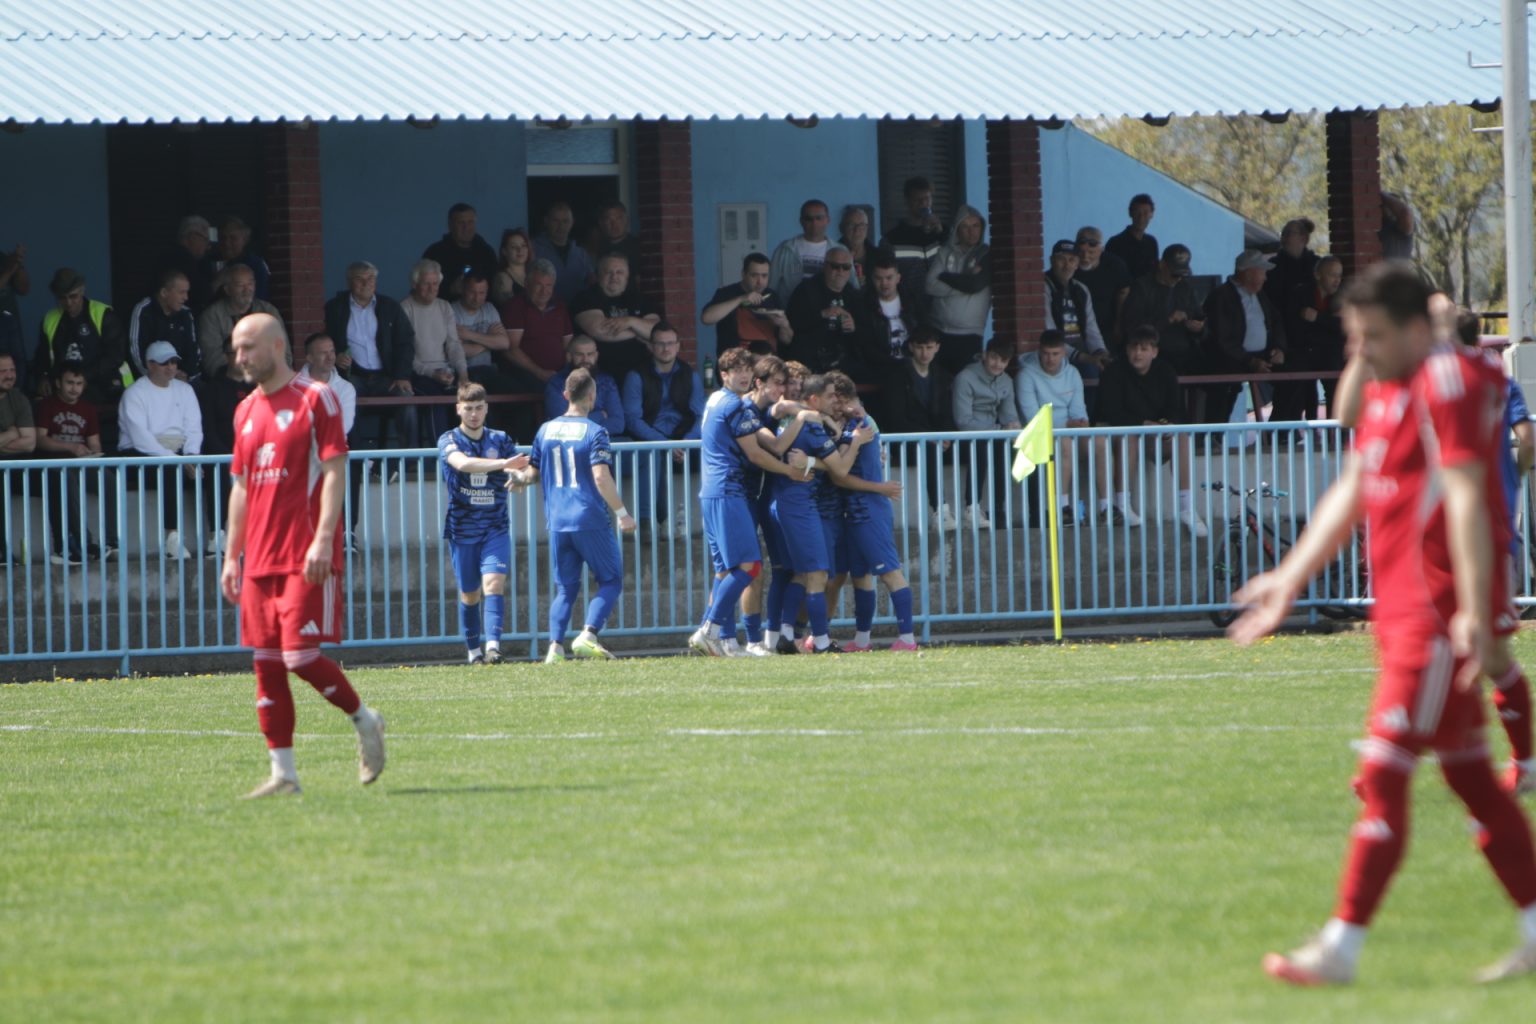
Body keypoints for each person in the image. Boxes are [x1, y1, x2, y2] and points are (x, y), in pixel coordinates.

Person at [1229, 265, 1536, 986]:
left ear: (1416, 330)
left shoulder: (1447, 385)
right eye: (1353, 337)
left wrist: (1470, 606)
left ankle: (1340, 947)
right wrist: (1289, 578)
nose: (1361, 349)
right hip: (1399, 612)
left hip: (1434, 615)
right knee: (1472, 780)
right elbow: (1356, 487)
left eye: (1371, 336)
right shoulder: (1394, 388)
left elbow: (1466, 497)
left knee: (1382, 772)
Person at [222, 313, 386, 799]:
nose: (240, 357)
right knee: (267, 664)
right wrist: (232, 556)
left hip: (305, 552)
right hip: (260, 559)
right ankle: (284, 775)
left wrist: (323, 538)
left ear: (277, 346)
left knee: (299, 656)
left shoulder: (316, 398)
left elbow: (335, 470)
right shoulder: (245, 410)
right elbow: (241, 488)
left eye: (248, 347)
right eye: (235, 349)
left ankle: (365, 720)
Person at [1451, 308, 1536, 794]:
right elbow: (1527, 439)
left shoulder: (1447, 383)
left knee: (1486, 647)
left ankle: (1513, 759)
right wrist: (1516, 475)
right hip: (1492, 514)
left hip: (1475, 520)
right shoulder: (1499, 382)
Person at [687, 347, 813, 657]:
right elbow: (756, 454)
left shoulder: (717, 399)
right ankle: (710, 630)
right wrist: (790, 471)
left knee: (725, 570)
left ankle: (724, 640)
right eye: (737, 371)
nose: (743, 375)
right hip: (729, 490)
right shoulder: (734, 405)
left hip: (713, 491)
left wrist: (795, 414)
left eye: (747, 369)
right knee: (749, 566)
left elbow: (770, 443)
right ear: (724, 375)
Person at [509, 368, 637, 662]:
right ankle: (588, 635)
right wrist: (622, 513)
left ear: (565, 395)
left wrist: (518, 479)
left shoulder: (545, 429)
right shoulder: (595, 431)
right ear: (592, 396)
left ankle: (554, 648)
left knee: (565, 588)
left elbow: (532, 473)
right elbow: (601, 477)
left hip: (557, 520)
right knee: (611, 580)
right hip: (588, 517)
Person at [768, 372, 871, 654]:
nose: (834, 400)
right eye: (829, 396)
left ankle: (786, 634)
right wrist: (856, 442)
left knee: (803, 574)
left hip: (787, 502)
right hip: (799, 505)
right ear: (813, 399)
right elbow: (841, 469)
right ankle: (822, 643)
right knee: (818, 574)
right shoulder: (811, 427)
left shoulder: (798, 420)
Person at [438, 382, 530, 665]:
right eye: (468, 408)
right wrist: (504, 465)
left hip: (495, 526)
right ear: (458, 409)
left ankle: (493, 648)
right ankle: (473, 652)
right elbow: (463, 464)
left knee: (494, 583)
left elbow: (522, 468)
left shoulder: (500, 439)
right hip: (462, 528)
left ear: (486, 408)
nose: (474, 414)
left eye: (479, 408)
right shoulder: (449, 439)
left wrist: (520, 479)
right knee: (470, 593)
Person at [824, 388, 916, 652]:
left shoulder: (860, 426)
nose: (843, 407)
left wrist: (879, 488)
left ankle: (908, 638)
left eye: (846, 402)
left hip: (868, 510)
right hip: (854, 511)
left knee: (890, 572)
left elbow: (840, 476)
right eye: (838, 402)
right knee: (860, 575)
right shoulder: (851, 427)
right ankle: (862, 640)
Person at [1095, 325, 1208, 536]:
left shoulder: (1166, 370)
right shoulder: (1113, 371)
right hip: (1122, 435)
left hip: (1155, 437)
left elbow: (1176, 408)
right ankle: (1123, 506)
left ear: (1154, 352)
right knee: (1129, 436)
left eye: (1144, 348)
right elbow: (1111, 412)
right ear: (1127, 349)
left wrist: (1168, 425)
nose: (1137, 353)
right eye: (1133, 347)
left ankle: (1187, 508)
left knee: (1182, 437)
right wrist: (1143, 423)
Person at [118, 340, 203, 560]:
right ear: (150, 364)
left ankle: (217, 536)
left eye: (174, 362)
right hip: (139, 455)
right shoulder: (135, 393)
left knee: (215, 469)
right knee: (169, 468)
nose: (171, 367)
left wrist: (191, 456)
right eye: (165, 362)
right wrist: (178, 460)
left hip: (179, 452)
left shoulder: (185, 390)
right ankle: (172, 538)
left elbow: (194, 428)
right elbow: (141, 439)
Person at [324, 260, 418, 452]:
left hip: (386, 377)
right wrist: (336, 356)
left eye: (371, 279)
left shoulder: (389, 307)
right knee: (346, 397)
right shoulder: (335, 308)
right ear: (349, 282)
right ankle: (357, 459)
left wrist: (402, 375)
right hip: (353, 376)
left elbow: (405, 342)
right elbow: (325, 339)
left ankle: (411, 459)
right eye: (359, 279)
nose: (366, 283)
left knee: (406, 399)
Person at [621, 324, 703, 528]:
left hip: (683, 440)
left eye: (670, 343)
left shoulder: (691, 375)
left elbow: (700, 416)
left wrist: (685, 443)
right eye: (660, 344)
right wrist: (664, 443)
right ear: (650, 346)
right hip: (650, 440)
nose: (666, 349)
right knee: (653, 454)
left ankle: (712, 520)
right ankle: (651, 522)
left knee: (717, 450)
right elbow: (633, 420)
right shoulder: (635, 375)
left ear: (678, 346)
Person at [34, 361, 114, 563]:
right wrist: (70, 447)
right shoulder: (47, 405)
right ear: (58, 383)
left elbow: (94, 442)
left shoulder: (88, 408)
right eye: (69, 382)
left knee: (109, 479)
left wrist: (93, 452)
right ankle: (83, 541)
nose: (74, 388)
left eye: (79, 383)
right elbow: (40, 439)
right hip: (56, 466)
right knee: (68, 480)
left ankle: (113, 541)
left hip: (83, 464)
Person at [1015, 330, 1096, 526]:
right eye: (1045, 353)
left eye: (1055, 354)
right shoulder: (1025, 375)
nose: (1050, 359)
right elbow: (1034, 419)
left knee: (1100, 443)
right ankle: (1061, 507)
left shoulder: (1073, 373)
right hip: (1038, 437)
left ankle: (1108, 507)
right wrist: (1066, 424)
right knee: (1065, 444)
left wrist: (1080, 422)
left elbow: (1079, 411)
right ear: (1039, 351)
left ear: (1064, 353)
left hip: (1068, 430)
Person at [879, 326, 957, 531]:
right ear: (912, 347)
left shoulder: (942, 376)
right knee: (929, 450)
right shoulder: (897, 375)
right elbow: (896, 418)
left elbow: (947, 413)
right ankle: (941, 510)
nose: (925, 353)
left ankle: (973, 508)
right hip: (905, 440)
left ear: (937, 348)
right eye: (920, 347)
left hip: (935, 438)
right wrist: (929, 437)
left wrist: (946, 436)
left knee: (975, 448)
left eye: (929, 347)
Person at [1201, 249, 1287, 424]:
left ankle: (1281, 429)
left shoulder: (1260, 295)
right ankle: (1214, 435)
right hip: (1231, 359)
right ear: (1248, 273)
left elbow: (1276, 320)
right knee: (1222, 389)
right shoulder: (1221, 296)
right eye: (1262, 272)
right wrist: (1250, 361)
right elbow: (1222, 339)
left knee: (1293, 376)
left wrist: (1279, 348)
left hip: (1262, 355)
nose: (1265, 278)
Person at [32, 268, 132, 415]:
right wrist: (43, 376)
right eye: (62, 298)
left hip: (106, 387)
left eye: (73, 296)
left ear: (82, 291)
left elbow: (115, 356)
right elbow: (42, 356)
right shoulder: (50, 318)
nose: (68, 303)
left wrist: (84, 376)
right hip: (67, 391)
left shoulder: (103, 314)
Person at [951, 337, 1019, 528]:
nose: (998, 364)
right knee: (981, 447)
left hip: (994, 434)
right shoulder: (965, 377)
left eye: (1003, 360)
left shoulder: (1006, 381)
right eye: (994, 358)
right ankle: (972, 507)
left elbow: (1009, 415)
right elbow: (963, 422)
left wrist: (1014, 429)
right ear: (985, 355)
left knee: (1014, 449)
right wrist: (1000, 430)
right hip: (966, 436)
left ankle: (999, 509)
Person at [197, 337, 256, 556]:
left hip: (254, 454)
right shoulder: (211, 389)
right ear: (226, 356)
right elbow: (208, 429)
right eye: (235, 353)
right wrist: (229, 456)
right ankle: (218, 535)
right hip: (222, 454)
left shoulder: (258, 387)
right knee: (219, 472)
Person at [400, 259, 468, 445]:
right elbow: (404, 353)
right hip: (418, 373)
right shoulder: (405, 308)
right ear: (415, 284)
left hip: (445, 372)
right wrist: (431, 373)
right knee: (436, 400)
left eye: (435, 283)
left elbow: (453, 344)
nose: (431, 289)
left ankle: (468, 453)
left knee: (469, 397)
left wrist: (463, 374)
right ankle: (441, 454)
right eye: (426, 284)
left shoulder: (444, 306)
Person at [1273, 255, 1345, 423]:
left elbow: (1345, 326)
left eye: (1339, 275)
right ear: (1318, 275)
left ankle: (1336, 432)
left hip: (1331, 354)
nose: (1337, 280)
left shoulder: (1342, 297)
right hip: (1303, 351)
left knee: (1336, 391)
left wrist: (1318, 318)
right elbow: (1292, 325)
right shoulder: (1300, 294)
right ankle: (1282, 431)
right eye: (1332, 275)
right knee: (1292, 391)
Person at [570, 252, 660, 382]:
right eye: (608, 272)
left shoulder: (640, 299)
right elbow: (600, 330)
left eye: (619, 272)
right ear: (598, 275)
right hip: (597, 375)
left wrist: (630, 321)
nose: (614, 276)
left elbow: (657, 330)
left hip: (639, 374)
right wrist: (639, 331)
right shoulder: (585, 298)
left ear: (627, 275)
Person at [924, 204, 991, 375]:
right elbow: (930, 286)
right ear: (957, 230)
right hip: (938, 330)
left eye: (976, 226)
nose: (971, 231)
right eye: (965, 226)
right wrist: (964, 281)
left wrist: (946, 277)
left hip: (970, 334)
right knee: (938, 381)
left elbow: (975, 285)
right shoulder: (944, 253)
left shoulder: (987, 254)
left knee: (964, 381)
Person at [1118, 244, 1205, 374]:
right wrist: (1167, 320)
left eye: (1182, 275)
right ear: (1162, 265)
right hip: (1153, 353)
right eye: (1175, 274)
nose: (1179, 279)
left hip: (1184, 352)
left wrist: (1198, 327)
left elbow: (1199, 315)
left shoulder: (1185, 287)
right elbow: (1133, 326)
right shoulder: (1142, 287)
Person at [1043, 239, 1110, 390]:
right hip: (1056, 354)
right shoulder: (1043, 286)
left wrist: (1101, 352)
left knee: (1108, 371)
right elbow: (1049, 331)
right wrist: (1083, 357)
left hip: (1082, 351)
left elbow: (1091, 328)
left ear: (1077, 263)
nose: (1067, 265)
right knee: (1088, 371)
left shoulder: (1081, 290)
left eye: (1072, 260)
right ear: (1052, 260)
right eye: (1061, 259)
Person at [786, 244, 860, 374]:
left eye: (846, 267)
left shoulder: (852, 294)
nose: (840, 271)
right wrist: (822, 314)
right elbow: (792, 324)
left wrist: (853, 327)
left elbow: (864, 334)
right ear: (825, 266)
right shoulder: (806, 290)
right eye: (835, 266)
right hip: (810, 358)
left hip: (842, 360)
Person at [197, 264, 282, 378]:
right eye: (240, 285)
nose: (247, 290)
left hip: (267, 379)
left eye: (250, 284)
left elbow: (284, 353)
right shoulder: (212, 316)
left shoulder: (268, 311)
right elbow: (213, 361)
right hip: (229, 381)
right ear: (227, 290)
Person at [701, 252, 792, 358]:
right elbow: (706, 318)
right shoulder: (727, 293)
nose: (760, 282)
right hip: (734, 364)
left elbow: (787, 340)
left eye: (764, 276)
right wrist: (741, 298)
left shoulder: (772, 296)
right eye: (754, 275)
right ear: (743, 274)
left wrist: (784, 325)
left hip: (767, 364)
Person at [500, 259, 574, 387]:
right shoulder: (515, 306)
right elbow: (510, 349)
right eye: (538, 285)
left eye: (549, 285)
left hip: (559, 376)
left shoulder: (560, 307)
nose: (544, 291)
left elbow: (569, 346)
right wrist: (539, 373)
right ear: (527, 284)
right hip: (526, 376)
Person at [544, 336, 625, 439]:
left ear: (596, 356)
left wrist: (581, 426)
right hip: (570, 442)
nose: (585, 359)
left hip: (605, 441)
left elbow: (618, 424)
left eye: (590, 354)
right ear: (569, 356)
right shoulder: (556, 383)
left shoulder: (607, 381)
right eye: (579, 354)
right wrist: (600, 415)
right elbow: (563, 426)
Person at [854, 249, 920, 376]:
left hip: (913, 363)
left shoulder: (911, 301)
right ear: (872, 279)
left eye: (889, 278)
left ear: (898, 278)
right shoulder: (864, 305)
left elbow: (922, 333)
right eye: (879, 278)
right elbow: (867, 347)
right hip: (882, 368)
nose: (884, 283)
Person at [128, 270, 199, 379]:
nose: (186, 297)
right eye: (181, 292)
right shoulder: (144, 310)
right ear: (164, 293)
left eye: (187, 292)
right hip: (150, 380)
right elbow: (136, 351)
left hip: (183, 379)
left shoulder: (186, 313)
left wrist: (187, 374)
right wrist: (156, 377)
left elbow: (193, 349)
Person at [422, 202, 499, 301]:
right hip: (445, 308)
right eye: (461, 223)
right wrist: (451, 289)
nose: (466, 227)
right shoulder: (435, 253)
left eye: (470, 222)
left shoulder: (486, 252)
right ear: (450, 225)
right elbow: (423, 290)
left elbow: (494, 287)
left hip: (482, 309)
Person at [1074, 226, 1133, 350]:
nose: (1085, 257)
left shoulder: (1115, 265)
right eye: (1081, 252)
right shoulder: (1070, 264)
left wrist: (1119, 323)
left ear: (1101, 250)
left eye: (1091, 253)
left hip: (1107, 325)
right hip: (1076, 325)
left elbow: (1123, 291)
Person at [881, 176, 946, 282]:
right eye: (917, 200)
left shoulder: (943, 231)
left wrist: (941, 234)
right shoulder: (892, 239)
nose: (923, 204)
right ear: (907, 201)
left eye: (927, 198)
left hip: (939, 291)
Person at [769, 199, 834, 299]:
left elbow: (851, 286)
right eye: (809, 218)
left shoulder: (839, 251)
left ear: (828, 220)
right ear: (801, 221)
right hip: (790, 307)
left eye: (819, 218)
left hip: (829, 307)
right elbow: (771, 285)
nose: (814, 222)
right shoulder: (785, 249)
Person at [533, 201, 594, 305]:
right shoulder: (533, 248)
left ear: (572, 223)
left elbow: (592, 282)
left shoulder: (581, 254)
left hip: (578, 310)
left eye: (565, 221)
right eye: (555, 221)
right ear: (546, 221)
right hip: (545, 310)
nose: (560, 226)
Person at [156, 215, 216, 313]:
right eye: (205, 239)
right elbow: (200, 295)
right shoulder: (181, 258)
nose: (208, 246)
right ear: (192, 236)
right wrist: (220, 280)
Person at [1264, 217, 1319, 317]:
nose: (1283, 238)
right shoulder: (1271, 266)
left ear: (1304, 239)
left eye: (1288, 234)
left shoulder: (1317, 265)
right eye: (1282, 234)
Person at [211, 216, 271, 301]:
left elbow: (260, 297)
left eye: (233, 238)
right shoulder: (209, 262)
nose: (227, 243)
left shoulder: (255, 264)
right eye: (223, 238)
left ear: (244, 240)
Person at [1104, 193, 1159, 280]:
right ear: (1130, 213)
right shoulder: (1115, 243)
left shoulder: (1152, 242)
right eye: (1138, 212)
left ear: (1151, 214)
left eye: (1145, 213)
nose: (1141, 218)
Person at [594, 200, 643, 273]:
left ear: (626, 219)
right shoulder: (597, 249)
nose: (614, 224)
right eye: (608, 220)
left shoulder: (639, 247)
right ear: (601, 223)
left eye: (619, 218)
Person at [837, 205, 875, 290]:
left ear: (867, 228)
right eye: (851, 225)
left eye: (861, 225)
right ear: (841, 228)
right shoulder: (831, 254)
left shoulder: (880, 256)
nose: (857, 230)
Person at [491, 227, 533, 305]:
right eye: (514, 247)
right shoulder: (502, 278)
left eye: (523, 245)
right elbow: (508, 308)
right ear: (504, 251)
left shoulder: (533, 273)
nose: (520, 250)